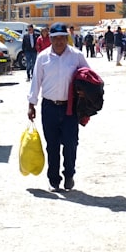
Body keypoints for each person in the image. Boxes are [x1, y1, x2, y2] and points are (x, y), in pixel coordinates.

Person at [27, 23, 89, 191]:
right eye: (56, 38)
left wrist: (85, 93)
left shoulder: (76, 56)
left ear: (66, 38)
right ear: (51, 39)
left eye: (62, 37)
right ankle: (54, 180)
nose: (60, 41)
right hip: (49, 108)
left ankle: (69, 175)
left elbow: (88, 76)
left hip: (70, 108)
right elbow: (36, 82)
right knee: (52, 146)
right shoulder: (43, 57)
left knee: (71, 144)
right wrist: (31, 104)